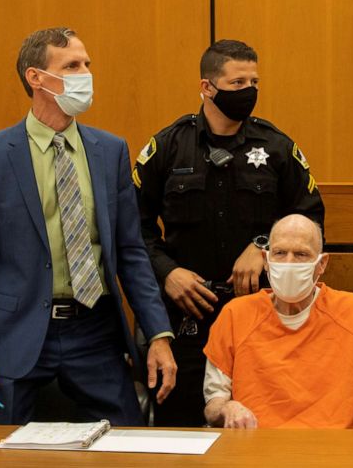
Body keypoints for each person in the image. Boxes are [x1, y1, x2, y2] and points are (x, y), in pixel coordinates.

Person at [0, 27, 176, 426]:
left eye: (87, 64)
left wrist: (158, 334)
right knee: (0, 454)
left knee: (129, 444)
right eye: (72, 65)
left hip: (93, 330)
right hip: (15, 334)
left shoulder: (110, 151)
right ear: (35, 77)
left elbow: (131, 252)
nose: (85, 74)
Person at [134, 39, 325, 426]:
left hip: (259, 315)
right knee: (183, 426)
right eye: (238, 84)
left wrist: (264, 246)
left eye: (254, 82)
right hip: (186, 315)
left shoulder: (276, 148)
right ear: (207, 87)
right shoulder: (168, 147)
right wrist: (166, 272)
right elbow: (132, 229)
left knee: (257, 423)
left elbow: (311, 221)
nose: (249, 92)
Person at [203, 214, 353, 429]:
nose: (289, 263)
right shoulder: (235, 315)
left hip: (342, 451)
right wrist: (227, 408)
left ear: (321, 263)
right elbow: (213, 404)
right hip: (258, 451)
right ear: (266, 260)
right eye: (279, 253)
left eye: (301, 254)